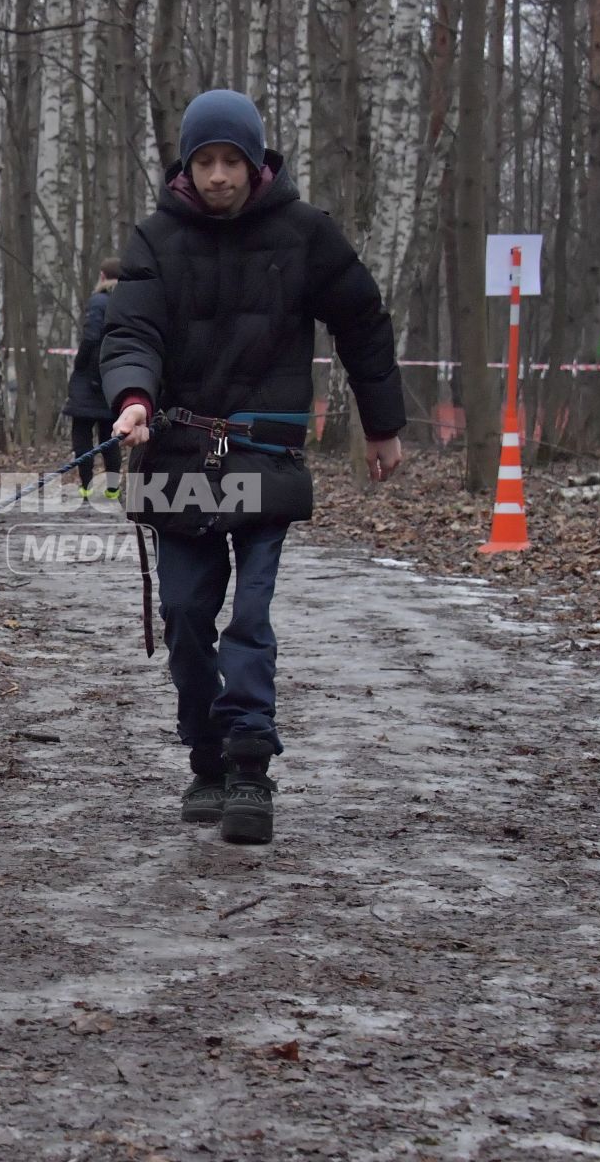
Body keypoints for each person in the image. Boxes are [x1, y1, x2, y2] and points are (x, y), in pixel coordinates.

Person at [101, 88, 405, 846]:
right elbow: (130, 328)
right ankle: (206, 754)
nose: (217, 176)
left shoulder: (305, 235)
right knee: (184, 617)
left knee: (252, 618)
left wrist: (382, 425)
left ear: (255, 160)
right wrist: (133, 398)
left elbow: (362, 319)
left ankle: (249, 767)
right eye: (204, 161)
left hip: (264, 452)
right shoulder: (154, 241)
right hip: (175, 455)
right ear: (187, 165)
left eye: (230, 160)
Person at [64, 257, 125, 501]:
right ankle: (112, 488)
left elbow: (90, 337)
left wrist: (80, 364)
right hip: (114, 375)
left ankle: (86, 486)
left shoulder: (98, 300)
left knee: (82, 433)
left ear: (102, 276)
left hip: (89, 377)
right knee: (110, 435)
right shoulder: (127, 302)